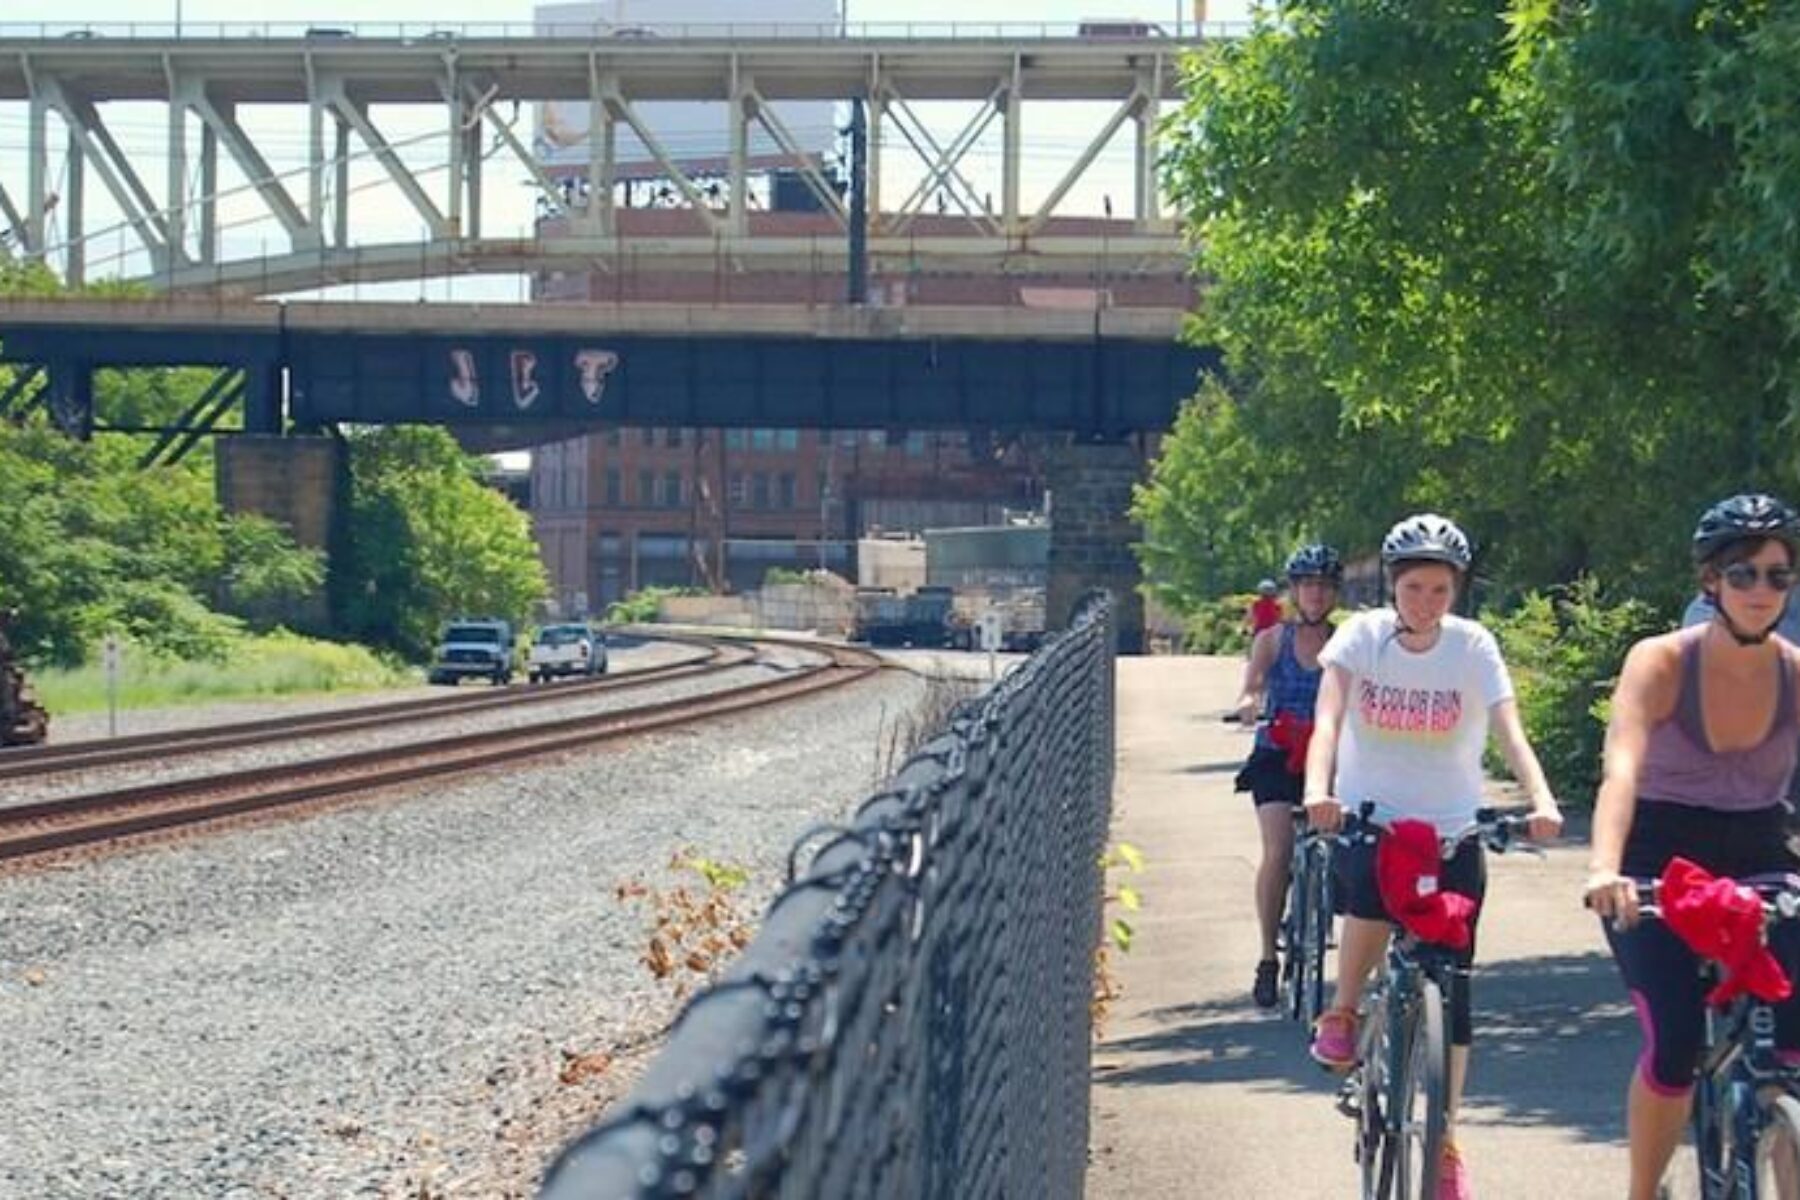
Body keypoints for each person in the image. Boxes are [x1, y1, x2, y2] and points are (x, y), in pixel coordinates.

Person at [1303, 513, 1561, 1200]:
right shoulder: (1361, 638)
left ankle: (1446, 1141)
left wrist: (1541, 800)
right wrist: (1315, 790)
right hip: (1373, 819)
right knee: (1369, 899)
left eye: (1440, 590)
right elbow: (1329, 717)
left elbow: (1509, 729)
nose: (1426, 602)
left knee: (1457, 991)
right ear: (1393, 586)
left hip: (1452, 830)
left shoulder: (1473, 647)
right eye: (1415, 588)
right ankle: (1346, 1008)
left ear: (1457, 590)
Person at [1584, 493, 1800, 1200]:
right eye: (1744, 574)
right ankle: (1644, 1192)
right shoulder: (1661, 662)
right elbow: (1621, 768)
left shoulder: (1795, 672)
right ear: (1711, 581)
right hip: (1657, 859)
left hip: (1761, 844)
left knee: (1790, 1054)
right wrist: (1605, 868)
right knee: (1676, 1046)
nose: (1762, 590)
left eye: (1777, 575)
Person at [1233, 544, 1344, 1007]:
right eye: (1307, 585)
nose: (1315, 593)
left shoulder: (1347, 642)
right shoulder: (1272, 639)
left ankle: (1330, 908)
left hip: (1332, 755)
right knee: (1278, 850)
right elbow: (1253, 684)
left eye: (1323, 585)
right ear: (1295, 591)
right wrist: (1248, 703)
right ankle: (1266, 956)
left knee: (1349, 847)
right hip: (1278, 752)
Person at [1246, 579, 1285, 646]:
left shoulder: (1256, 604)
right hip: (1272, 631)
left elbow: (1249, 617)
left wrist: (1245, 628)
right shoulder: (1277, 605)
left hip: (1261, 631)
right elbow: (1281, 619)